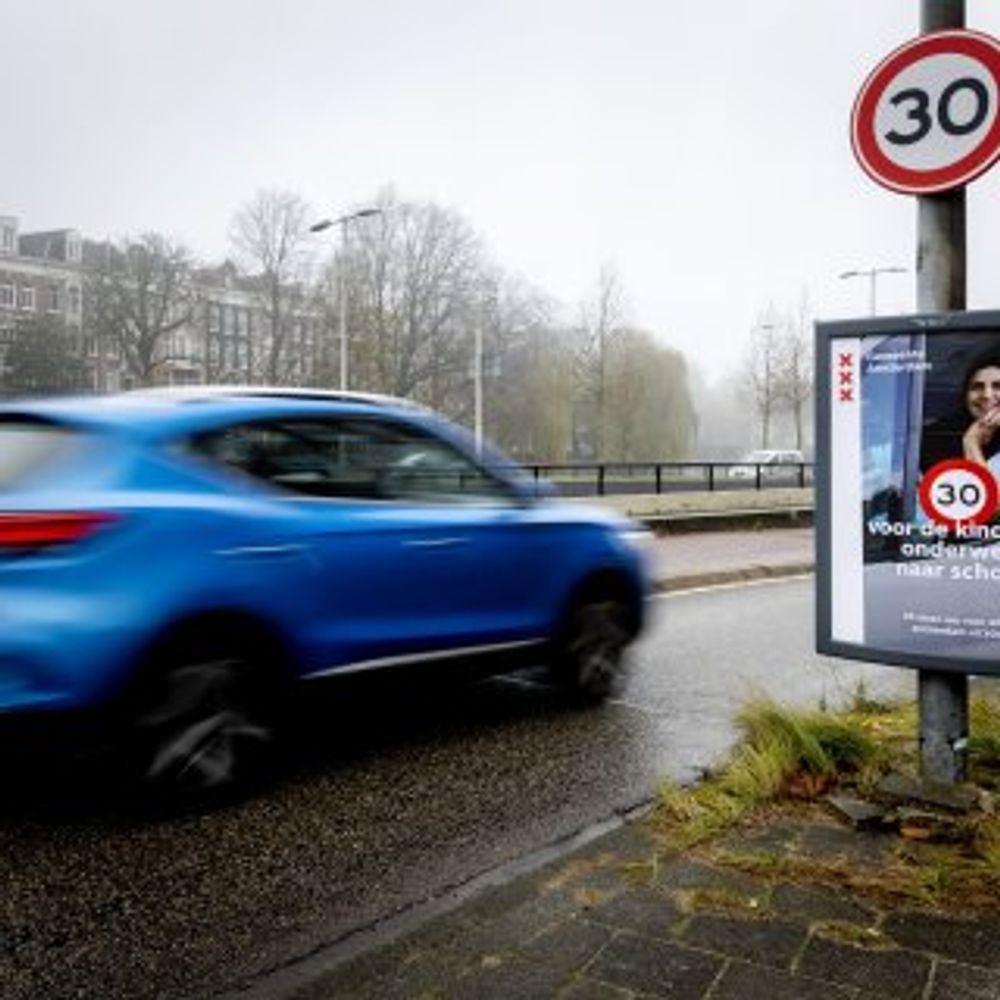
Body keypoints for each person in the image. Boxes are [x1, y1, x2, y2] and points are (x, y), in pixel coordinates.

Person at [920, 351, 1000, 476]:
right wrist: (971, 440)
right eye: (977, 387)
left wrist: (971, 443)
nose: (987, 395)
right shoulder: (936, 439)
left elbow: (990, 495)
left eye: (997, 386)